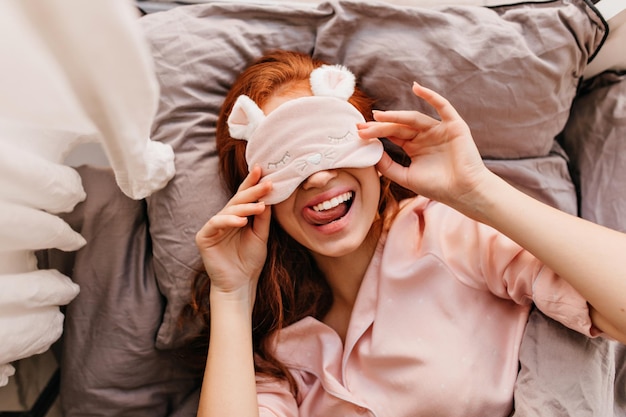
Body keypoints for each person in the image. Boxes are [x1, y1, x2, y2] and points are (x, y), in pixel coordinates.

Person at [186, 50, 626, 417]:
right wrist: (231, 292)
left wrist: (479, 192)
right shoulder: (277, 348)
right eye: (283, 160)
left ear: (371, 143)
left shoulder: (448, 233)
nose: (317, 179)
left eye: (328, 144)